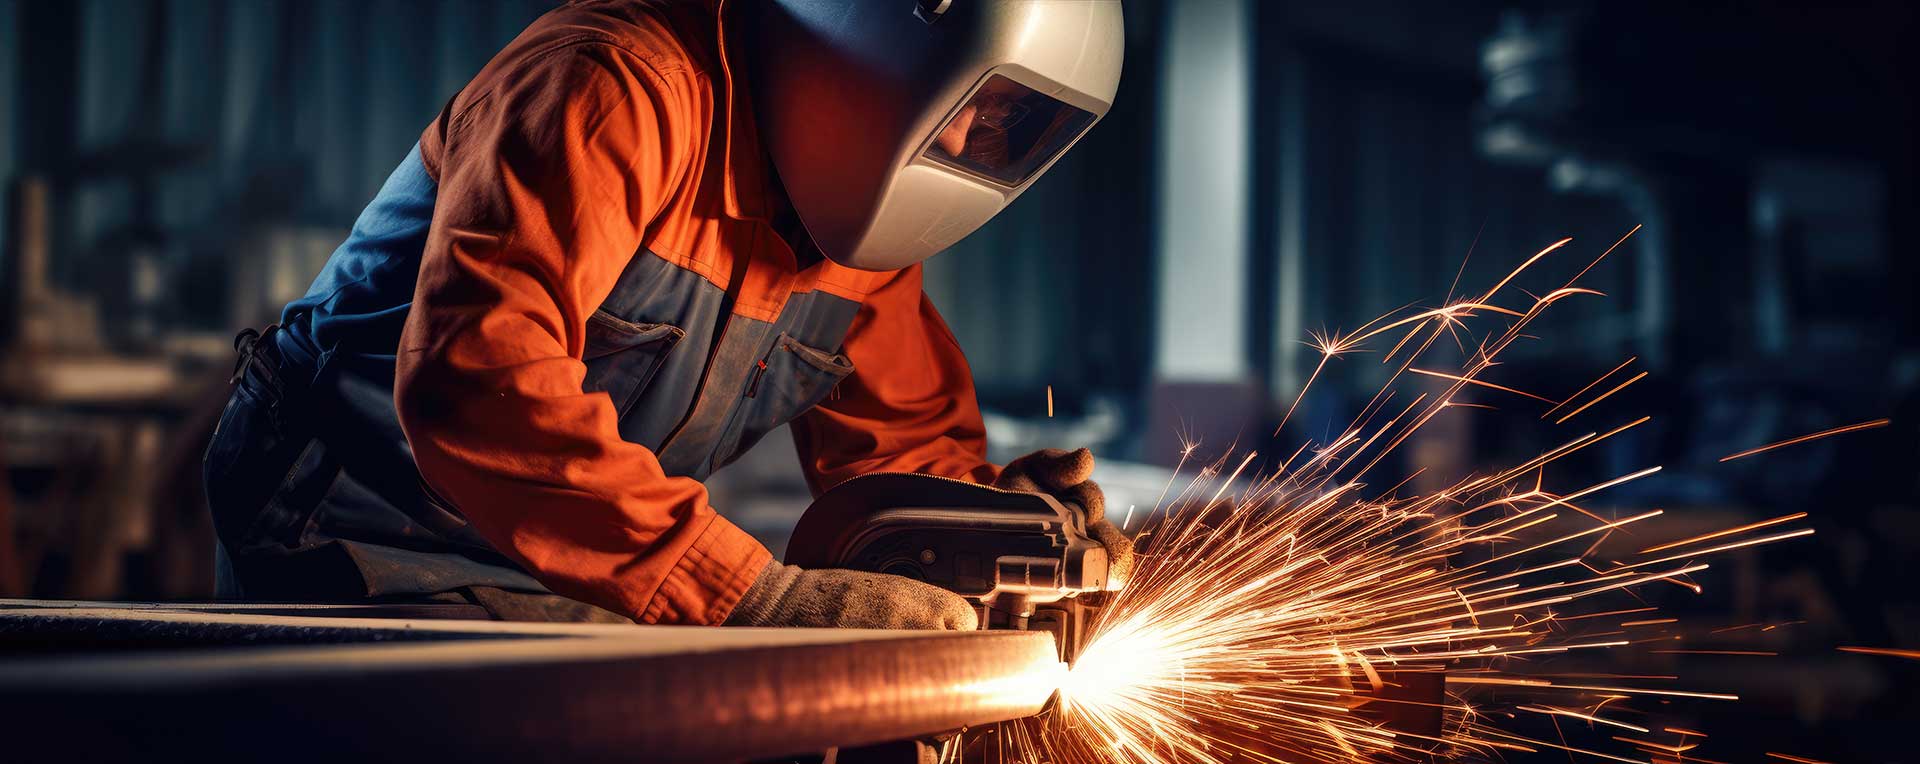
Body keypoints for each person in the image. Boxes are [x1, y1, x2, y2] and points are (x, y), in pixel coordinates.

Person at [203, 0, 1127, 627]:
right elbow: (480, 386)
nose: (967, 142)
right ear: (888, 41)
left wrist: (985, 521)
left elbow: (898, 450)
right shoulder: (613, 88)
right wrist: (752, 596)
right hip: (353, 511)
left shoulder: (858, 217)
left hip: (569, 552)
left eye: (1007, 121)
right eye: (974, 102)